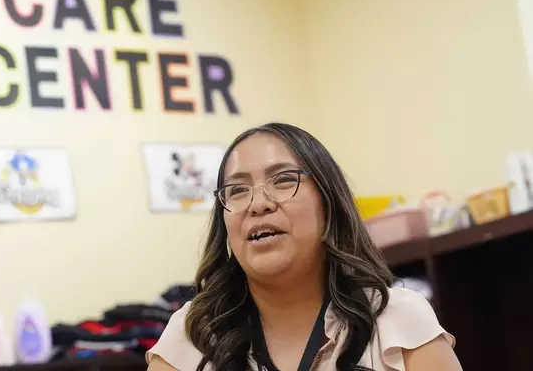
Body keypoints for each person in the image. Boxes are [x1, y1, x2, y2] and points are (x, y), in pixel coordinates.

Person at [146, 123, 461, 371]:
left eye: (283, 180)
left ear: (328, 203)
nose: (258, 204)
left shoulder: (397, 318)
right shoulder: (195, 332)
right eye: (238, 190)